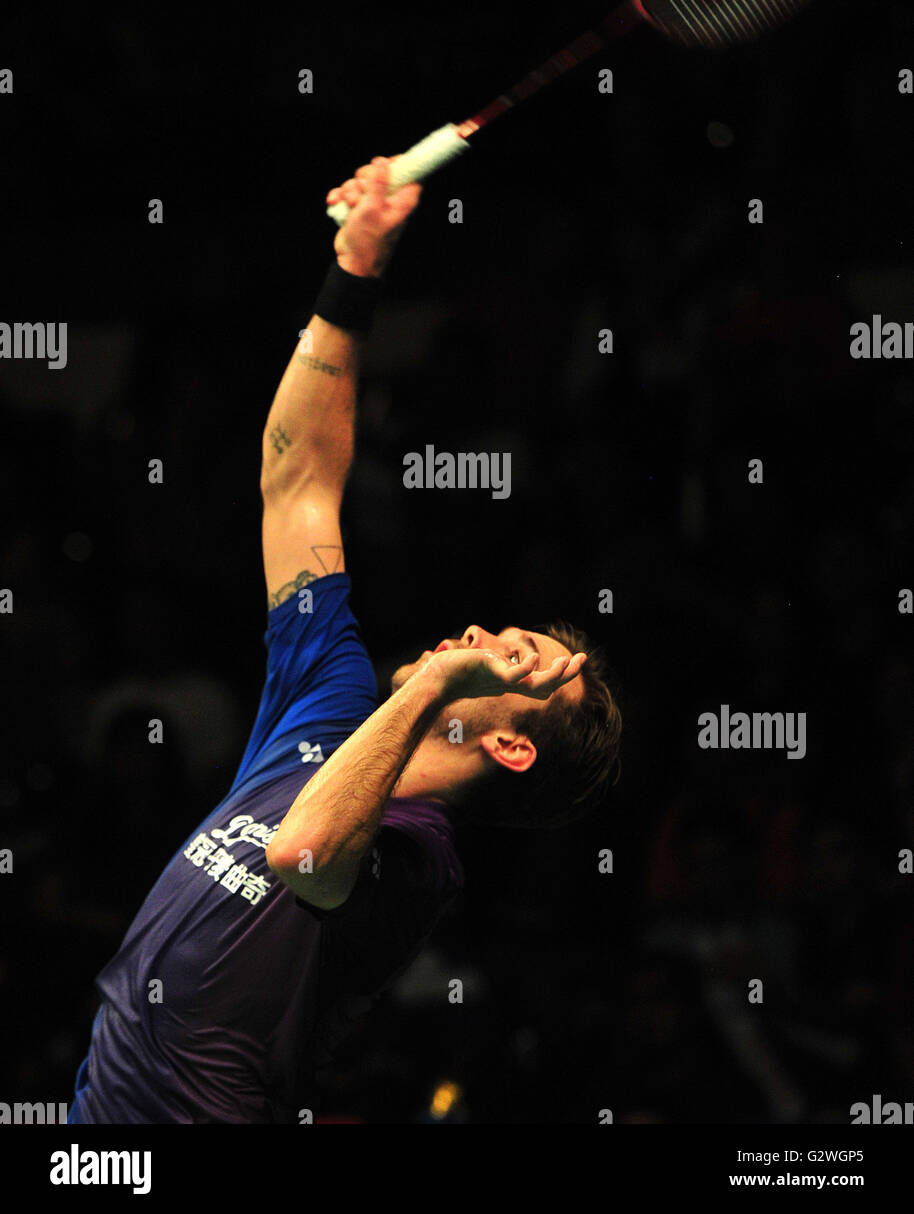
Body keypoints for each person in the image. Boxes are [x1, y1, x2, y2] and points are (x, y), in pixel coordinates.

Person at [67, 157, 622, 1124]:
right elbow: (300, 482)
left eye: (517, 659)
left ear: (510, 745)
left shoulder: (417, 858)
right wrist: (354, 274)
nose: (483, 635)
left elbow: (306, 854)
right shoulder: (327, 700)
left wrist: (426, 685)